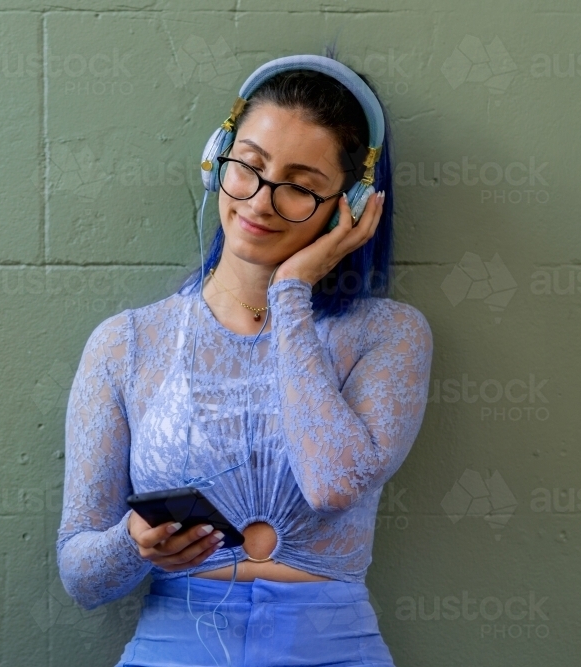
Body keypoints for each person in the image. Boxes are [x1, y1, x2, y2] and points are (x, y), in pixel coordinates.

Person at [57, 54, 434, 667]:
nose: (261, 201)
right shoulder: (126, 344)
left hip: (333, 649)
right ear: (217, 161)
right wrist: (134, 545)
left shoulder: (389, 335)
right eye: (250, 168)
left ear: (353, 205)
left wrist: (290, 293)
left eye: (301, 187)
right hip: (172, 646)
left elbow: (333, 482)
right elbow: (80, 578)